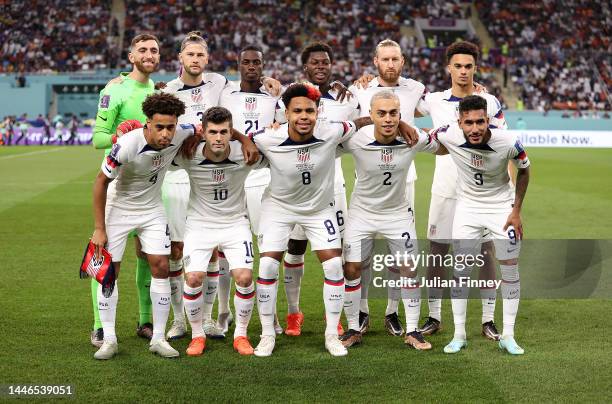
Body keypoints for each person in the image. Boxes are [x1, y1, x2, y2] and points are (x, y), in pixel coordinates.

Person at [250, 83, 416, 357]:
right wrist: (247, 140)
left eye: (310, 111)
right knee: (267, 266)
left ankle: (331, 335)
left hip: (318, 210)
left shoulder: (331, 130)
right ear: (286, 114)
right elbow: (246, 139)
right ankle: (267, 334)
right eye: (298, 111)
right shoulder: (269, 137)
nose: (304, 116)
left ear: (318, 112)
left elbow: (364, 121)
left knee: (335, 267)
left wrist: (403, 124)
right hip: (278, 209)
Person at [416, 41, 508, 340]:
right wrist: (363, 81)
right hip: (446, 188)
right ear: (449, 68)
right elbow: (398, 97)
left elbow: (503, 147)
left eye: (469, 66)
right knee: (438, 253)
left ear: (475, 68)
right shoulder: (434, 100)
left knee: (485, 254)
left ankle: (487, 319)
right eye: (458, 66)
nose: (463, 71)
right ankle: (434, 316)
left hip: (482, 194)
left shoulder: (490, 102)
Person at [90, 92, 192, 360]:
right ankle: (109, 339)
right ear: (147, 123)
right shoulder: (127, 145)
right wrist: (99, 228)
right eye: (160, 127)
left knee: (161, 265)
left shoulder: (181, 132)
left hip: (152, 210)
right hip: (120, 209)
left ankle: (158, 338)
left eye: (170, 127)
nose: (166, 134)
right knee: (110, 272)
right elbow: (100, 182)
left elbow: (201, 129)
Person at [340, 91, 444, 350]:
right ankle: (353, 327)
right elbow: (323, 136)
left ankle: (412, 330)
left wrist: (419, 129)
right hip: (361, 214)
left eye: (394, 113)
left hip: (397, 215)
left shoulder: (412, 139)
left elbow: (443, 147)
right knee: (351, 269)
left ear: (401, 115)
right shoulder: (355, 140)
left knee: (409, 268)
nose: (388, 119)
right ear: (371, 114)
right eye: (381, 113)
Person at [432, 95, 530, 355]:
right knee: (461, 270)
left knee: (509, 268)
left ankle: (508, 335)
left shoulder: (508, 141)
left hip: (502, 209)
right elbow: (422, 137)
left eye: (480, 122)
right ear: (459, 122)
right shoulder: (449, 134)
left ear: (488, 120)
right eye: (468, 123)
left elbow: (525, 169)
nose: (474, 128)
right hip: (467, 209)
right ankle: (459, 334)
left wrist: (517, 211)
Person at [280, 41, 359, 337]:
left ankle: (334, 315)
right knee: (295, 248)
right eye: (315, 62)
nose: (321, 66)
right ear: (305, 67)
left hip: (332, 183)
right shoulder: (290, 98)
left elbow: (364, 120)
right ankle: (293, 313)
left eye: (325, 62)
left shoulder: (346, 98)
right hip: (295, 187)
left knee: (334, 252)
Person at [348, 39, 424, 337]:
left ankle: (392, 311)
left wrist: (476, 88)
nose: (390, 64)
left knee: (400, 255)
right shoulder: (359, 89)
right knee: (360, 256)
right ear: (375, 61)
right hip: (367, 177)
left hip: (405, 178)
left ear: (402, 60)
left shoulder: (417, 89)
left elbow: (446, 105)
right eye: (385, 59)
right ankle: (362, 310)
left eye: (395, 59)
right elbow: (341, 121)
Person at [173, 107, 264, 356]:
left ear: (231, 132)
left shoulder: (245, 154)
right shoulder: (187, 154)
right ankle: (197, 335)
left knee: (244, 278)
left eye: (224, 132)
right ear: (204, 133)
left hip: (235, 223)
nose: (219, 138)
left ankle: (241, 335)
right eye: (212, 132)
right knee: (192, 279)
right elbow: (161, 148)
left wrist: (246, 139)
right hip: (199, 225)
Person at [90, 33, 160, 347]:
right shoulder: (115, 90)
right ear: (131, 56)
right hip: (117, 183)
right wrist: (118, 133)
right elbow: (97, 139)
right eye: (142, 50)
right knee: (105, 258)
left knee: (148, 256)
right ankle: (100, 327)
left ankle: (145, 321)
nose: (149, 54)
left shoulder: (160, 90)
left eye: (154, 50)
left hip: (151, 185)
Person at [217, 44, 284, 336]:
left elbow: (285, 124)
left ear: (263, 64)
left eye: (257, 62)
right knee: (223, 247)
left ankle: (272, 316)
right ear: (238, 64)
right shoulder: (224, 92)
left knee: (267, 249)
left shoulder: (274, 96)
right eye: (247, 62)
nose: (252, 66)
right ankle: (222, 312)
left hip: (260, 177)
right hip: (230, 177)